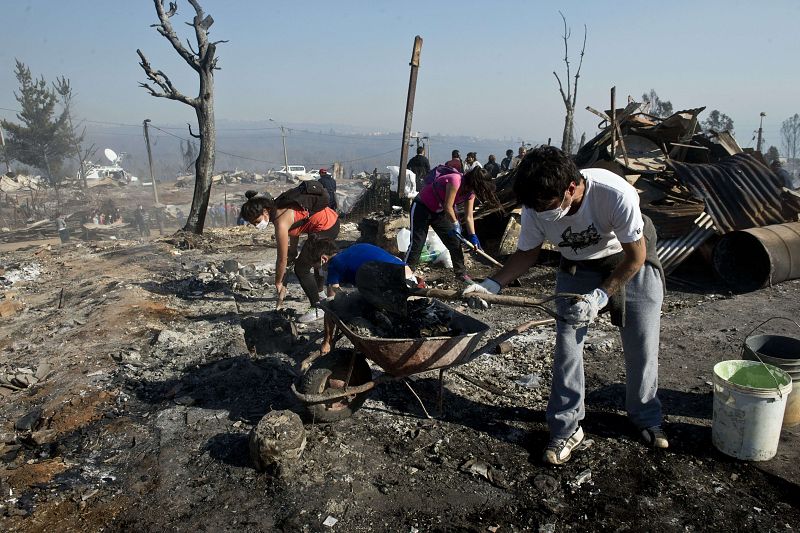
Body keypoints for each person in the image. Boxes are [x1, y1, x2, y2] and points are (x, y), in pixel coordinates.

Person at [464, 146, 668, 465]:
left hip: (629, 262)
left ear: (570, 189)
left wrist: (600, 297)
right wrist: (492, 283)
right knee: (566, 349)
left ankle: (645, 416)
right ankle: (567, 427)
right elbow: (527, 254)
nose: (540, 213)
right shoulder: (535, 205)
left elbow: (636, 256)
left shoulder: (615, 194)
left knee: (641, 343)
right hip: (577, 267)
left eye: (546, 206)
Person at [240, 186, 340, 323]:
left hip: (326, 226)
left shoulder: (280, 222)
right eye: (253, 224)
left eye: (257, 221)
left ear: (264, 211)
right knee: (314, 261)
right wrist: (292, 251)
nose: (257, 226)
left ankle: (318, 308)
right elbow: (296, 227)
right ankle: (320, 295)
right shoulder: (278, 207)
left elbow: (281, 259)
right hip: (328, 221)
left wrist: (278, 281)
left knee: (302, 268)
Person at [304, 239, 419, 355]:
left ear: (323, 259)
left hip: (396, 290)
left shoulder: (334, 264)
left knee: (357, 311)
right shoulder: (355, 248)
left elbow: (330, 306)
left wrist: (326, 341)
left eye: (316, 267)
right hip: (411, 281)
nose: (318, 271)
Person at [405, 165, 502, 283]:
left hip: (439, 213)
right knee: (417, 243)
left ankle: (461, 274)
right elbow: (448, 206)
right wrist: (455, 224)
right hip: (422, 207)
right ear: (476, 183)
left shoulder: (470, 193)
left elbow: (469, 216)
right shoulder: (456, 180)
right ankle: (406, 273)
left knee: (454, 242)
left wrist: (473, 236)